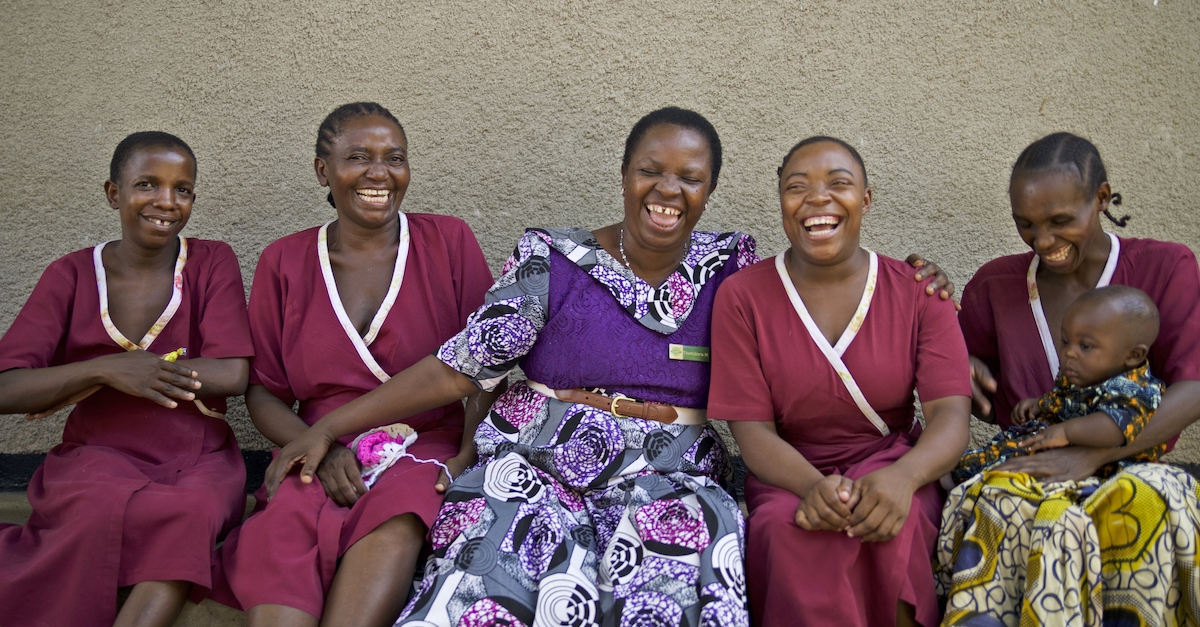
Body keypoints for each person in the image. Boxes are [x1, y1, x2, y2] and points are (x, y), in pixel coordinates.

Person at [207, 102, 497, 627]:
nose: (379, 173)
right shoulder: (285, 261)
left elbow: (486, 368)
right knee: (283, 527)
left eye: (395, 158)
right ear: (324, 170)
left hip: (426, 440)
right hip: (312, 442)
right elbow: (264, 391)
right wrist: (317, 442)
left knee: (398, 520)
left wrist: (465, 455)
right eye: (359, 157)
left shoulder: (447, 241)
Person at [937, 132, 1200, 626]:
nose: (1043, 241)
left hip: (1135, 465)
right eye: (1026, 225)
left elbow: (1195, 387)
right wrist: (963, 372)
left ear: (1100, 199)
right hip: (1033, 467)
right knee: (996, 505)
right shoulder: (995, 286)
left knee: (1147, 500)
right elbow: (979, 393)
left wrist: (1094, 453)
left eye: (1061, 221)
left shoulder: (1166, 267)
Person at [708, 136, 972, 627]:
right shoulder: (742, 296)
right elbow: (752, 431)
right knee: (782, 531)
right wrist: (813, 486)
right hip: (791, 469)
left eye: (839, 184)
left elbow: (950, 415)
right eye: (797, 187)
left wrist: (906, 477)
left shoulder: (918, 293)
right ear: (781, 202)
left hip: (893, 461)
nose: (817, 199)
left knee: (898, 523)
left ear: (866, 199)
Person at [0, 132, 254, 627]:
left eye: (182, 189)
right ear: (114, 193)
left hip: (198, 455)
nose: (166, 201)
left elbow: (233, 372)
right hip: (95, 453)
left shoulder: (210, 262)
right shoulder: (71, 274)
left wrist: (147, 370)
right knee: (93, 510)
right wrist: (106, 369)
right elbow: (6, 386)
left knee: (193, 513)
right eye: (147, 184)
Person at [951, 285, 1165, 485]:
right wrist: (1041, 404)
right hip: (1057, 445)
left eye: (1086, 346)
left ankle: (963, 479)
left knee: (1015, 462)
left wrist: (1066, 432)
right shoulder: (1082, 373)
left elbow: (1114, 428)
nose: (1069, 352)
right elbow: (1064, 399)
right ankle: (959, 474)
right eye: (1065, 341)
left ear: (1133, 355)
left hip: (1103, 466)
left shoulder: (1135, 389)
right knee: (1006, 449)